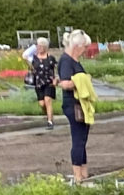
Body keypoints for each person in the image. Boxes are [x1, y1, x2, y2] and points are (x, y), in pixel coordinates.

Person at [56, 31, 97, 182]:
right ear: (77, 46)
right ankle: (78, 176)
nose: (85, 50)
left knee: (82, 139)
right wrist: (82, 80)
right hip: (73, 106)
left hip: (81, 105)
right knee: (78, 139)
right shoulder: (66, 61)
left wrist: (83, 79)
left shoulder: (75, 60)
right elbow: (65, 83)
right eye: (84, 47)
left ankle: (84, 173)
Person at [27, 36, 59, 117]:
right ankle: (48, 114)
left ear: (45, 47)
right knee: (42, 104)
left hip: (49, 83)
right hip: (38, 84)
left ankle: (50, 121)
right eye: (38, 46)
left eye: (41, 46)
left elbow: (57, 69)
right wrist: (34, 47)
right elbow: (25, 55)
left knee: (47, 100)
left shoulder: (51, 58)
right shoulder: (33, 58)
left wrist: (56, 79)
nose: (39, 48)